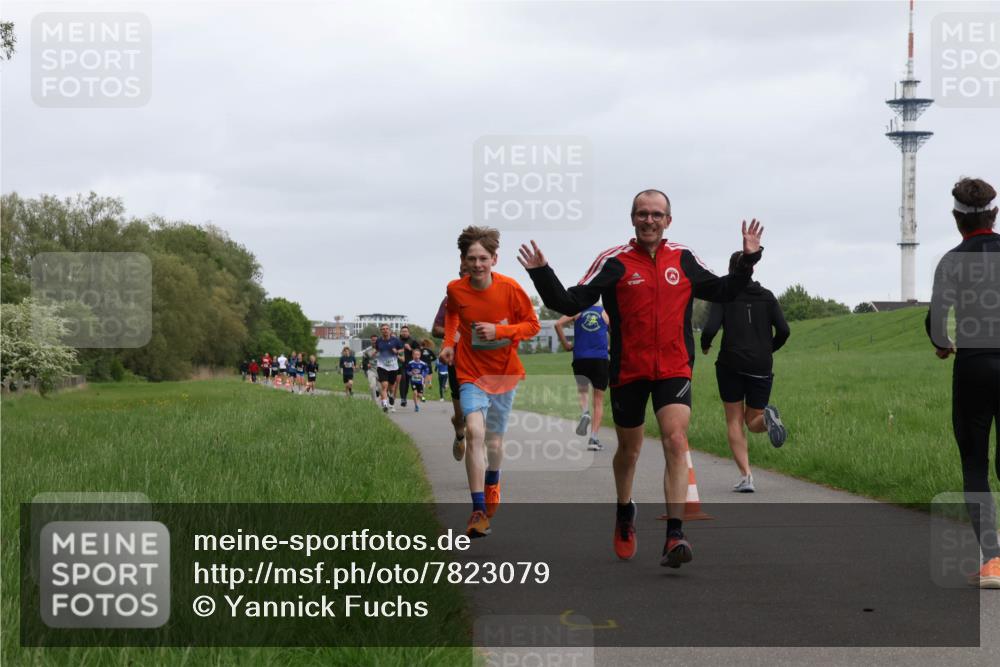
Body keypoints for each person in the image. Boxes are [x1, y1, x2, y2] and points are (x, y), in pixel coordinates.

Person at [519, 189, 763, 568]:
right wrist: (541, 272)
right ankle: (623, 511)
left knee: (676, 439)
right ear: (632, 219)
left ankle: (675, 534)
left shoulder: (683, 258)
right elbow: (569, 302)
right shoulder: (614, 261)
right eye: (643, 214)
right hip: (628, 370)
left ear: (668, 220)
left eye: (657, 214)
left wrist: (748, 259)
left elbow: (724, 290)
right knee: (629, 451)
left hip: (674, 367)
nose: (650, 220)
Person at [440, 226, 540, 538]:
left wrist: (500, 332)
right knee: (473, 431)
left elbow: (533, 326)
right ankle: (477, 510)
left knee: (494, 441)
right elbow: (453, 317)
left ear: (494, 259)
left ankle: (493, 480)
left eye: (484, 258)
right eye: (472, 258)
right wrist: (448, 344)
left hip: (504, 373)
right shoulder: (455, 289)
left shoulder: (510, 289)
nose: (478, 264)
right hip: (470, 372)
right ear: (463, 261)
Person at [926, 177, 1000, 589]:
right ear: (995, 213)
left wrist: (942, 344)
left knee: (975, 465)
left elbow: (937, 319)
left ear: (957, 219)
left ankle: (993, 561)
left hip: (973, 364)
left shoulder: (952, 261)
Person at [700, 251, 790, 492]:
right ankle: (768, 421)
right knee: (754, 421)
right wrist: (768, 349)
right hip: (761, 365)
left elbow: (709, 328)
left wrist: (705, 345)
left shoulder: (724, 295)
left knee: (735, 420)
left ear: (732, 271)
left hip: (731, 364)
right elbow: (784, 330)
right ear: (752, 269)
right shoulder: (768, 297)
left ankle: (746, 476)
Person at [555, 304, 611, 451]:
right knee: (598, 401)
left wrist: (566, 344)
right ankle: (593, 438)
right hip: (600, 359)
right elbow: (618, 332)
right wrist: (609, 347)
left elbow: (558, 324)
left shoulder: (577, 310)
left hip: (580, 358)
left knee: (583, 391)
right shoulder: (605, 313)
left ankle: (585, 413)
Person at [434, 267, 470, 461]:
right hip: (457, 362)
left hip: (483, 363)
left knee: (479, 420)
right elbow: (436, 328)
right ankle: (459, 432)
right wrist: (454, 334)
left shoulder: (492, 297)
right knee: (461, 417)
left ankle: (480, 465)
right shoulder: (450, 300)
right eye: (465, 273)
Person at [374, 324, 403, 412]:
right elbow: (377, 350)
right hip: (382, 366)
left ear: (390, 330)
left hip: (393, 367)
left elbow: (402, 349)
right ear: (381, 331)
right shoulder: (378, 341)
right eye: (383, 329)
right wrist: (375, 354)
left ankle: (390, 396)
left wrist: (397, 351)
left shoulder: (395, 340)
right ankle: (385, 405)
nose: (385, 330)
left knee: (391, 387)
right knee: (384, 386)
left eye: (387, 329)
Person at [398, 326, 422, 407]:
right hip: (401, 365)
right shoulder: (398, 341)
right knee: (403, 380)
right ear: (400, 332)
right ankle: (403, 399)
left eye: (406, 331)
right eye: (403, 331)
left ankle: (419, 395)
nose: (404, 333)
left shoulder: (413, 341)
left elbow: (419, 352)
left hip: (411, 366)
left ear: (409, 333)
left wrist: (410, 349)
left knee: (408, 382)